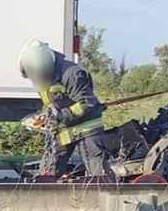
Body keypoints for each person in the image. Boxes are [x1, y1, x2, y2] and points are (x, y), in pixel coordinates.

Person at [18, 39, 115, 183]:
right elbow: (50, 102)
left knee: (98, 173)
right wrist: (44, 116)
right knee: (47, 173)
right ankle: (46, 195)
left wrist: (60, 115)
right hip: (63, 129)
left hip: (86, 128)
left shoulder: (72, 74)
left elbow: (88, 103)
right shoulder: (39, 75)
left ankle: (110, 192)